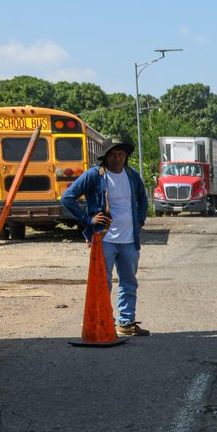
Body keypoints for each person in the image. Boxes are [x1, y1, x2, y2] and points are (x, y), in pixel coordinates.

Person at [61, 139, 150, 336]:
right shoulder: (95, 175)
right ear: (105, 157)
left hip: (129, 240)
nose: (117, 158)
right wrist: (87, 220)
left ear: (125, 156)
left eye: (121, 154)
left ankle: (126, 323)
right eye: (112, 154)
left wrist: (140, 220)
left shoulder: (132, 175)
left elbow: (143, 198)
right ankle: (104, 321)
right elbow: (67, 197)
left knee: (129, 281)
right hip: (104, 239)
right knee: (103, 283)